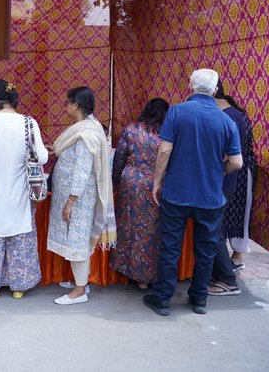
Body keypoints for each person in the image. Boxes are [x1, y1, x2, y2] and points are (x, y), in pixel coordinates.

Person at [144, 69, 242, 316]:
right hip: (210, 197)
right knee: (205, 250)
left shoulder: (177, 111)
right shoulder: (227, 121)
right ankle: (199, 299)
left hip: (177, 193)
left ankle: (163, 299)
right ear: (216, 88)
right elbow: (237, 163)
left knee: (170, 247)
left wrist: (157, 181)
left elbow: (164, 150)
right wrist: (219, 171)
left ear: (190, 85)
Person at [0, 80, 47, 299]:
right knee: (19, 234)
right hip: (19, 190)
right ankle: (18, 287)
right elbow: (42, 157)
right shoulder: (29, 123)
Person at [47, 87, 117, 305]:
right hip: (75, 196)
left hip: (79, 198)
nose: (65, 106)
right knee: (75, 238)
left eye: (67, 102)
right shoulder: (83, 129)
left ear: (76, 105)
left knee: (77, 238)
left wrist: (70, 202)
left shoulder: (87, 135)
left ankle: (79, 291)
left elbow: (82, 171)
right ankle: (80, 281)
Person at [110, 98, 169, 290]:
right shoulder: (167, 133)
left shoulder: (131, 129)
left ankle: (128, 270)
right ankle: (149, 275)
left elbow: (119, 157)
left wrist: (115, 182)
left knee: (129, 227)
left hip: (132, 183)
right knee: (152, 231)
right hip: (156, 184)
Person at [208, 80, 257, 296]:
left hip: (232, 175)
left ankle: (228, 278)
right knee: (216, 226)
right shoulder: (227, 114)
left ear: (213, 91)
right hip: (228, 175)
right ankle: (222, 271)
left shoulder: (231, 117)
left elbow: (231, 157)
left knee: (216, 227)